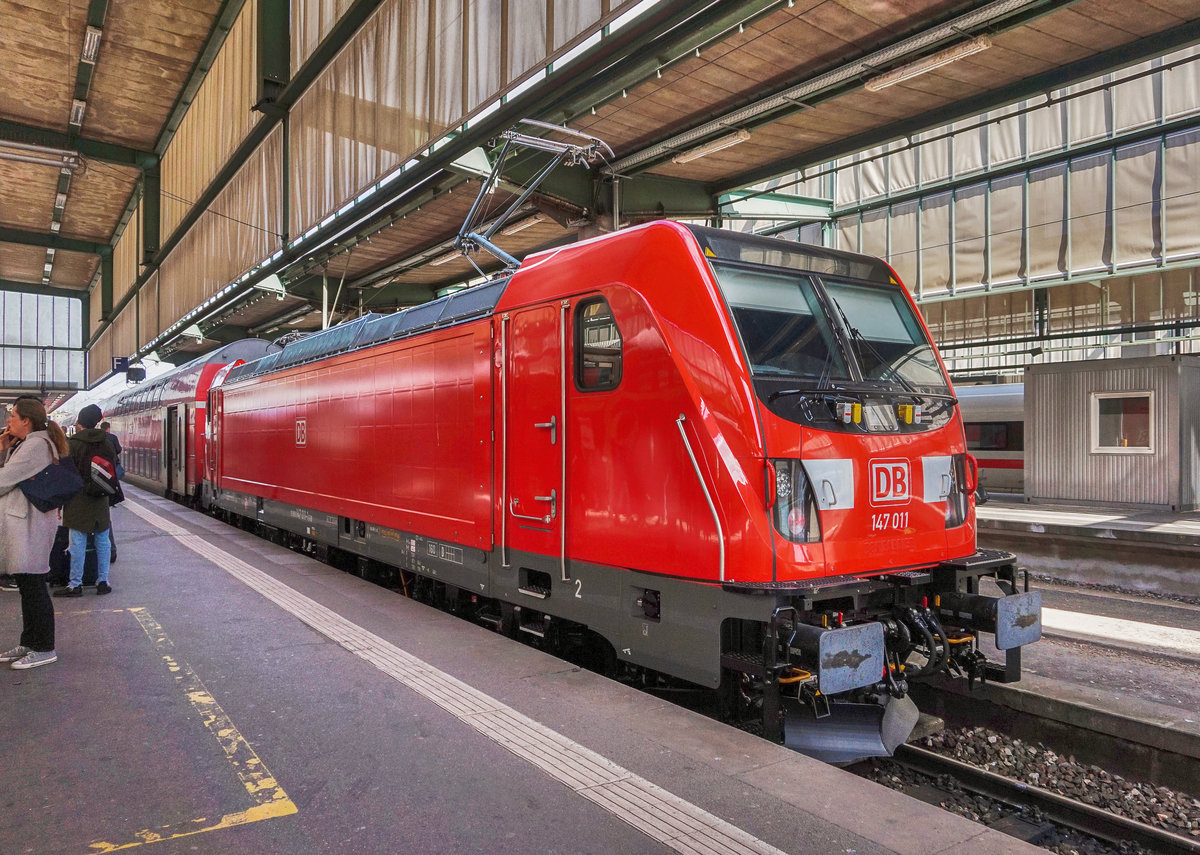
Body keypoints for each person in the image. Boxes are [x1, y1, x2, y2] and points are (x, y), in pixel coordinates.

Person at [0, 397, 68, 669]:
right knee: (28, 585)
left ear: (26, 421)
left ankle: (44, 647)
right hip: (25, 523)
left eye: (12, 416)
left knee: (34, 584)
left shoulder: (36, 445)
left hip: (29, 525)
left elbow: (3, 481)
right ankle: (29, 642)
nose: (8, 421)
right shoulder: (28, 444)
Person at [55, 404, 113, 597]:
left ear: (80, 421)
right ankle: (103, 581)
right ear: (97, 421)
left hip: (77, 499)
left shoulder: (72, 444)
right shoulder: (106, 442)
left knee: (77, 542)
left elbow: (65, 474)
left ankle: (75, 584)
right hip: (100, 498)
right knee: (102, 541)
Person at [100, 420, 121, 563]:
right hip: (107, 484)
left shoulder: (76, 443)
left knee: (79, 535)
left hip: (87, 493)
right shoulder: (111, 439)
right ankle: (111, 552)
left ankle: (77, 580)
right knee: (105, 522)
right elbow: (117, 452)